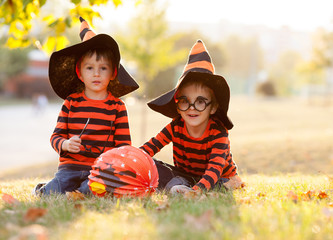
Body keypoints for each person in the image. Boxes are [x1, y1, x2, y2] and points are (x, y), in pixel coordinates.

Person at [33, 17, 139, 196]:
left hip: (98, 171)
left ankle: (80, 192)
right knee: (56, 189)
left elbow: (123, 146)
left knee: (93, 189)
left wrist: (115, 168)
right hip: (70, 168)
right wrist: (65, 144)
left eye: (103, 68)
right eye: (89, 68)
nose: (96, 73)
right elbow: (55, 137)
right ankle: (44, 189)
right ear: (80, 73)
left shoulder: (117, 107)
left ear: (113, 73)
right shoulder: (71, 103)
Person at [140, 40, 243, 194]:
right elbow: (152, 146)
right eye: (184, 101)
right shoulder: (176, 125)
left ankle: (184, 188)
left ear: (213, 107)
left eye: (200, 101)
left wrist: (197, 191)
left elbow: (215, 168)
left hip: (219, 176)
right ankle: (179, 186)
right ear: (177, 105)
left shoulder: (218, 132)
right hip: (188, 176)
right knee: (151, 164)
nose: (192, 108)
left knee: (220, 184)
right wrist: (129, 158)